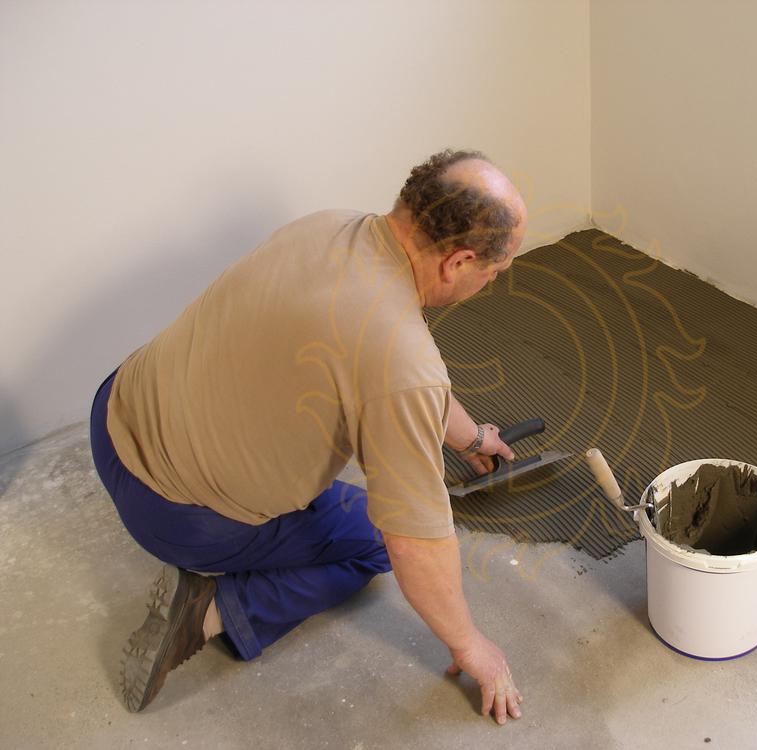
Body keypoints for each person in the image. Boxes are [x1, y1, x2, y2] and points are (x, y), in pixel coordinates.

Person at [89, 149, 528, 724]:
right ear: (459, 261)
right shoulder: (401, 359)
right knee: (376, 539)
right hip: (174, 514)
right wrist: (471, 646)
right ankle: (209, 611)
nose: (491, 282)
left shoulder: (329, 227)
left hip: (115, 414)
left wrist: (469, 439)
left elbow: (395, 375)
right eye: (494, 272)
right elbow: (414, 543)